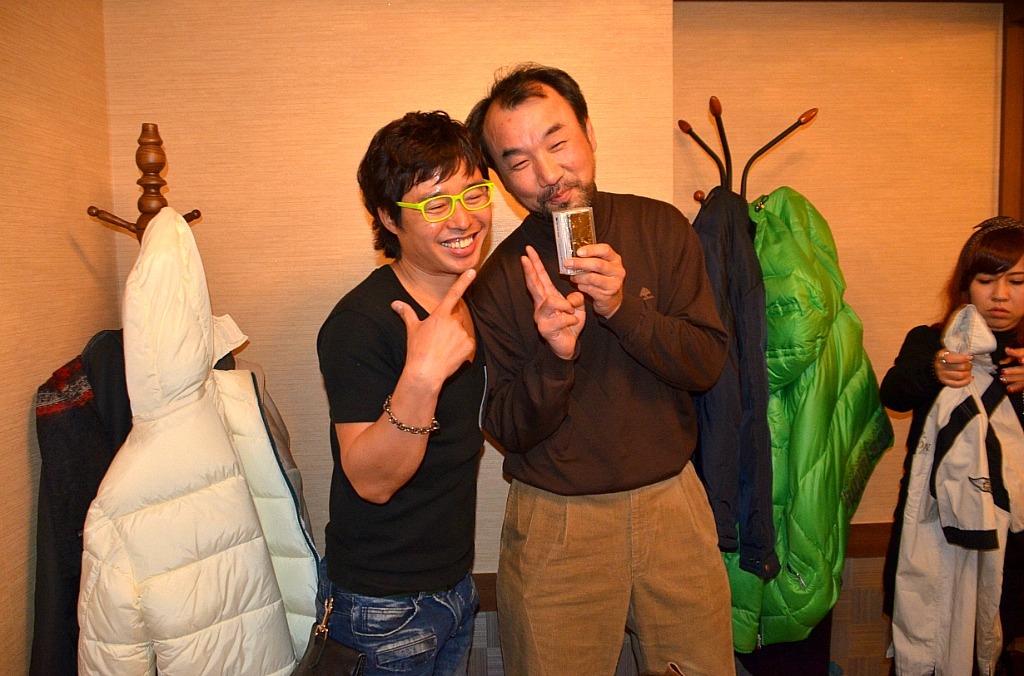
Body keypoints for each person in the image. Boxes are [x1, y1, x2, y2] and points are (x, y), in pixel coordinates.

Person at [465, 63, 735, 675]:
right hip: (557, 522)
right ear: (502, 179)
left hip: (673, 504)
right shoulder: (500, 278)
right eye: (518, 161)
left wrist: (622, 310)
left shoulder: (660, 227)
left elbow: (706, 365)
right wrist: (555, 358)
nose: (547, 174)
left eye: (557, 142)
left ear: (588, 131)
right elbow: (505, 428)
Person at [316, 110, 491, 676]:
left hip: (455, 584)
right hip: (381, 603)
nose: (463, 218)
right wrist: (421, 377)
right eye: (434, 204)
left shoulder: (468, 299)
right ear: (389, 217)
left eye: (473, 193)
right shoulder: (361, 323)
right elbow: (371, 481)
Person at [880, 216, 1024, 673]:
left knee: (992, 647)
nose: (1000, 295)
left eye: (1017, 282)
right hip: (932, 526)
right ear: (965, 285)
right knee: (922, 640)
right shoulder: (932, 341)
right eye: (986, 280)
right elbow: (893, 393)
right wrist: (935, 370)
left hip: (1010, 543)